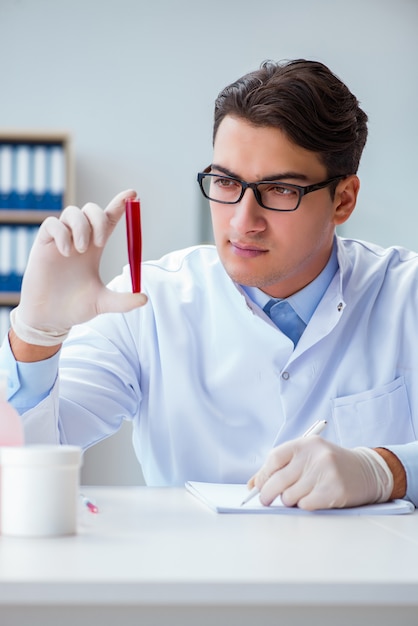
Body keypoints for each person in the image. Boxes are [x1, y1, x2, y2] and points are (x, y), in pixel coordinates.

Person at [1, 59, 417, 511]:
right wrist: (35, 337)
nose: (243, 222)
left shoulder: (405, 294)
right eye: (225, 181)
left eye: (280, 190)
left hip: (365, 579)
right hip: (193, 578)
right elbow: (24, 468)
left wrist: (386, 470)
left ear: (343, 199)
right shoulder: (150, 303)